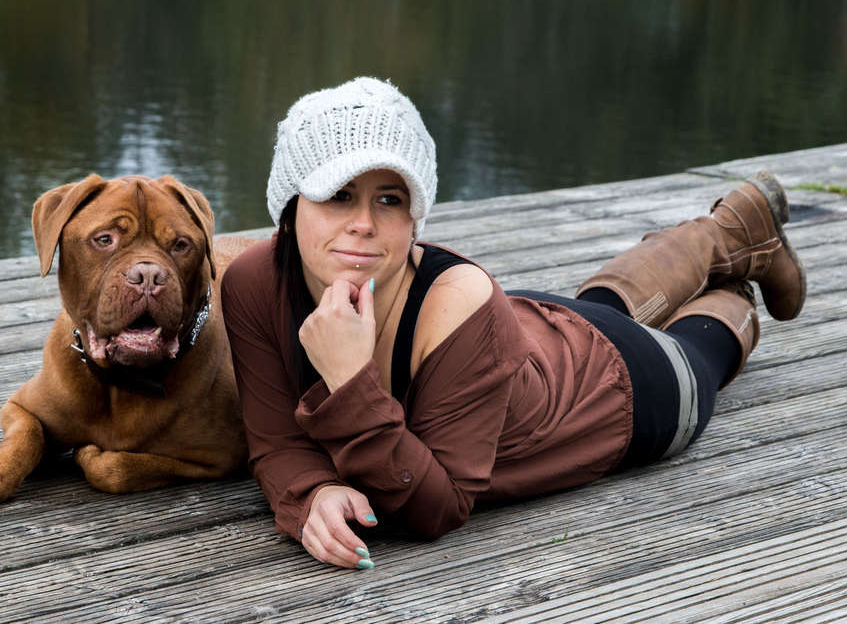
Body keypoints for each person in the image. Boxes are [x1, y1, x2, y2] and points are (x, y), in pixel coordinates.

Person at [220, 77, 806, 570]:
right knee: (599, 306)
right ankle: (733, 228)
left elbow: (438, 506)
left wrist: (350, 380)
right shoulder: (253, 283)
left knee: (694, 352)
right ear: (290, 206)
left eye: (390, 199)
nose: (364, 224)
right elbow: (274, 442)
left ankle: (735, 288)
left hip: (618, 390)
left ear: (416, 215)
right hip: (522, 335)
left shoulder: (460, 304)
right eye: (338, 195)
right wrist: (312, 493)